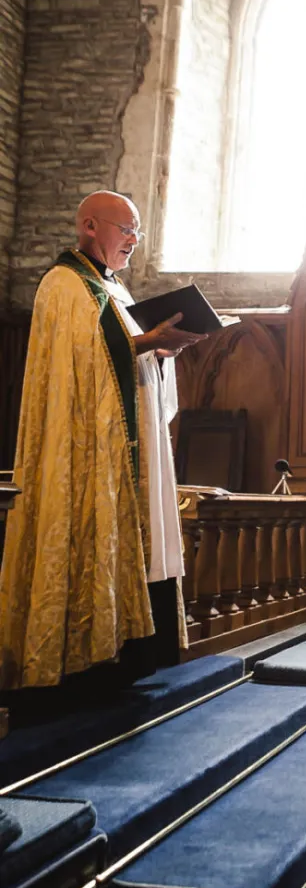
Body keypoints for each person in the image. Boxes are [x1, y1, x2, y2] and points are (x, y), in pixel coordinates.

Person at [0, 192, 205, 692]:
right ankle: (83, 662)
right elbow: (79, 360)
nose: (134, 240)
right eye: (126, 229)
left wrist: (159, 349)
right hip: (85, 447)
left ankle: (132, 654)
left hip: (129, 438)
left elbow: (128, 353)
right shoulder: (63, 284)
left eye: (138, 232)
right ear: (90, 226)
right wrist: (147, 341)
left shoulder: (116, 290)